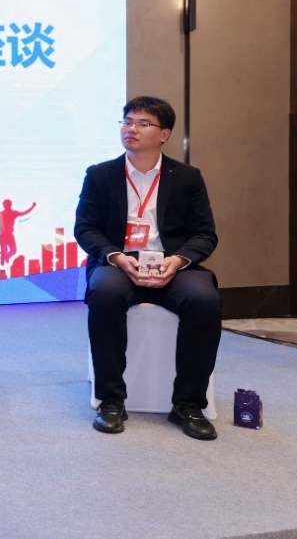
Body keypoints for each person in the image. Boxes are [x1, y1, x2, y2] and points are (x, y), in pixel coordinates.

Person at [74, 96, 222, 440]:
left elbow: (205, 234)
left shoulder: (187, 178)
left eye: (143, 123)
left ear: (164, 134)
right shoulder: (100, 175)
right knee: (105, 292)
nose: (132, 129)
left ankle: (188, 404)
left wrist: (178, 260)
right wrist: (115, 256)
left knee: (204, 300)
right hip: (121, 262)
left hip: (172, 264)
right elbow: (86, 228)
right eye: (127, 121)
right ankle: (110, 401)